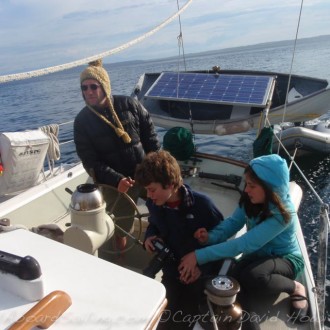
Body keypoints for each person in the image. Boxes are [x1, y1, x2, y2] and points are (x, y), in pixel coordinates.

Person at [179, 154, 309, 328]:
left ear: (270, 188)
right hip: (256, 256)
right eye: (246, 184)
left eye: (252, 186)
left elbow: (244, 244)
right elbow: (233, 224)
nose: (246, 190)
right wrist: (210, 237)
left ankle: (295, 287)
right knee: (234, 283)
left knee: (253, 276)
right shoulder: (250, 200)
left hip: (285, 258)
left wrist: (198, 256)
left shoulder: (283, 214)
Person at [74, 59, 160, 249]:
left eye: (93, 87)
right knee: (122, 227)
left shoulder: (130, 104)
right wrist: (116, 180)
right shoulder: (82, 122)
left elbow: (150, 137)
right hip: (117, 185)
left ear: (104, 86)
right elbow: (90, 161)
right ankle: (120, 258)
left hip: (146, 174)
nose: (88, 92)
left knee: (164, 210)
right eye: (84, 88)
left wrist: (154, 168)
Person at [134, 150, 224, 329]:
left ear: (169, 184)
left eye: (152, 190)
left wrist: (201, 268)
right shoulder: (155, 204)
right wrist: (149, 236)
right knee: (160, 321)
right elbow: (153, 224)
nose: (149, 196)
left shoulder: (203, 206)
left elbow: (222, 242)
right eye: (147, 191)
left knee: (187, 321)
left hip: (199, 278)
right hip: (172, 276)